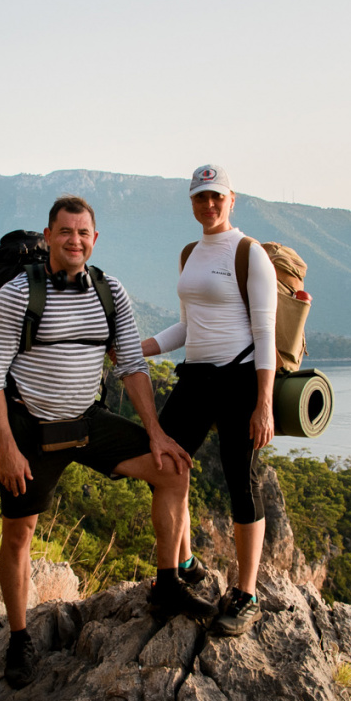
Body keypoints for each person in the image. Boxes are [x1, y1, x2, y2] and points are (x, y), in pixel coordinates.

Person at [0, 195, 216, 689]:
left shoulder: (110, 292)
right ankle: (19, 638)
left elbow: (130, 364)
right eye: (65, 232)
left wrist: (156, 433)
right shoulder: (17, 295)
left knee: (173, 470)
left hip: (87, 422)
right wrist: (6, 447)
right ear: (48, 238)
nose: (75, 241)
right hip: (31, 431)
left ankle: (167, 582)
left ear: (95, 238)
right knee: (19, 534)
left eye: (83, 233)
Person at [140, 165, 276, 638]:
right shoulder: (189, 254)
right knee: (166, 466)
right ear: (192, 203)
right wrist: (145, 347)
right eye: (201, 198)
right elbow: (187, 326)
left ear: (231, 199)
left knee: (242, 480)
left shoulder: (249, 253)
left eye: (216, 196)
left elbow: (264, 333)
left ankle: (247, 594)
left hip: (239, 378)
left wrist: (264, 403)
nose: (209, 205)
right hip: (195, 377)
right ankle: (185, 564)